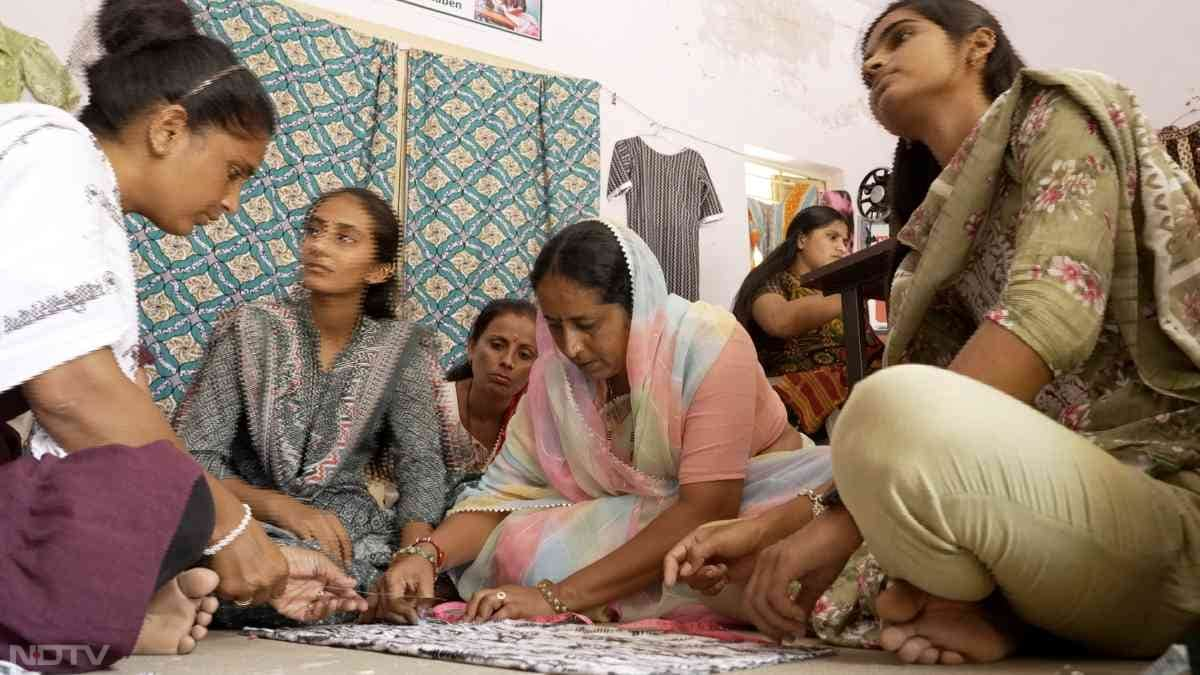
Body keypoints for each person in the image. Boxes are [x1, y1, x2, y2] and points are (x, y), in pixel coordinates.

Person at [665, 0, 1200, 665]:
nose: (873, 62)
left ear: (978, 45)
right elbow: (921, 442)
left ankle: (974, 602)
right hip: (1036, 515)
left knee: (883, 409)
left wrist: (840, 524)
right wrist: (768, 528)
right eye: (865, 62)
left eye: (898, 37)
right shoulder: (930, 241)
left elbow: (1049, 316)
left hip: (1159, 502)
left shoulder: (1057, 111)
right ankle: (996, 615)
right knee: (742, 580)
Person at [0, 1, 363, 670]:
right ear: (169, 128)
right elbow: (75, 392)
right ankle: (90, 611)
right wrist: (229, 525)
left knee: (133, 492)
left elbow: (131, 427)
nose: (231, 204)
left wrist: (248, 548)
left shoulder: (92, 208)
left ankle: (109, 607)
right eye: (235, 172)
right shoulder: (51, 152)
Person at [359, 219, 831, 625]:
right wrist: (424, 555)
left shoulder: (707, 340)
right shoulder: (555, 376)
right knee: (515, 544)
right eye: (555, 325)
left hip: (751, 500)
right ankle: (651, 594)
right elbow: (502, 494)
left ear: (639, 304)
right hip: (643, 519)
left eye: (587, 325)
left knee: (771, 536)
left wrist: (553, 596)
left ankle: (616, 593)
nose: (571, 347)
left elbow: (709, 507)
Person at [175, 187, 447, 626]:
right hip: (247, 519)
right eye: (314, 231)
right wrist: (277, 506)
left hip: (345, 530)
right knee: (207, 553)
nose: (317, 245)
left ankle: (329, 593)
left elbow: (422, 464)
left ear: (378, 270)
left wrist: (415, 554)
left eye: (344, 237)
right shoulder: (248, 328)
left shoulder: (403, 348)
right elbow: (195, 456)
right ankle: (334, 597)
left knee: (366, 571)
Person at [731, 206, 884, 435]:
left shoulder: (844, 292)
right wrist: (853, 290)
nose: (842, 248)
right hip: (797, 395)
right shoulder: (772, 283)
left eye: (846, 241)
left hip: (854, 385)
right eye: (832, 237)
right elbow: (779, 320)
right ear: (802, 240)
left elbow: (869, 347)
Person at [440, 298, 538, 490]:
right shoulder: (432, 406)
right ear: (472, 347)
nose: (508, 362)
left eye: (524, 355)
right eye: (497, 345)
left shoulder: (531, 421)